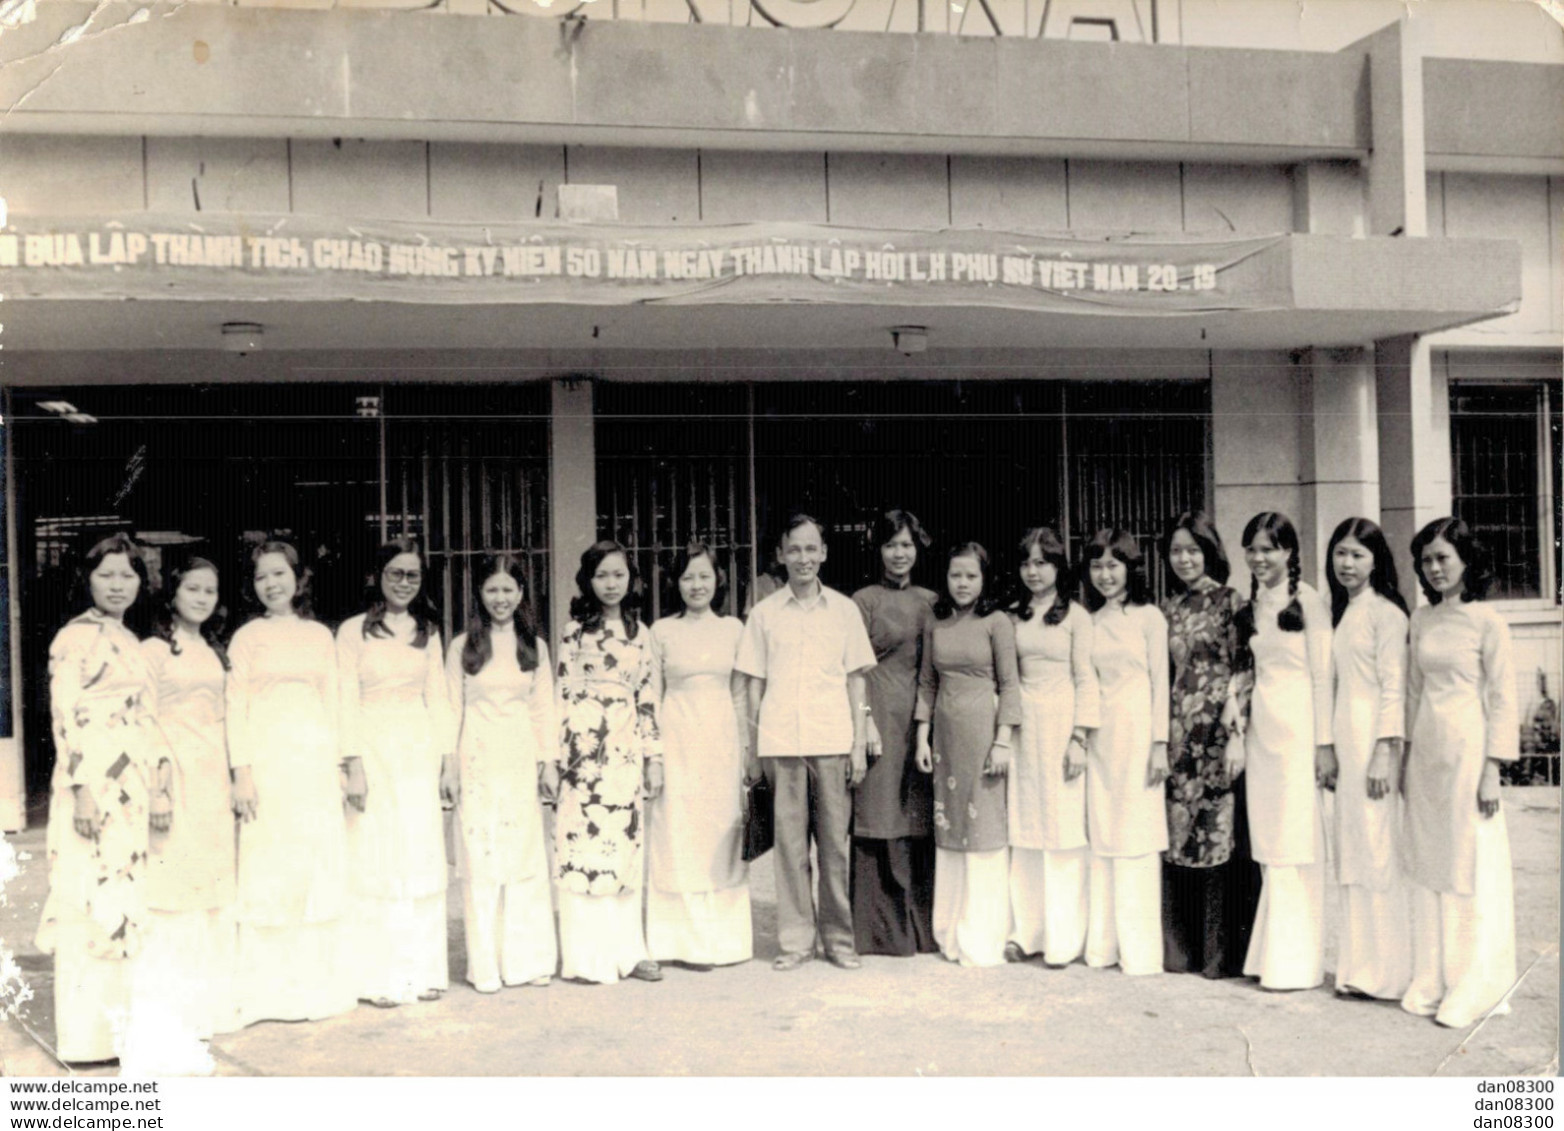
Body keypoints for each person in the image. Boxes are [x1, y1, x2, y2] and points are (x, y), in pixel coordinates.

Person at [736, 513, 876, 972]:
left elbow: (857, 683)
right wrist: (753, 749)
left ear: (824, 554)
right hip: (782, 745)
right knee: (791, 849)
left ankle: (838, 940)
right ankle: (795, 941)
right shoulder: (764, 613)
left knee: (834, 847)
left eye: (811, 548)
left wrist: (858, 744)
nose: (803, 558)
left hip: (833, 741)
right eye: (794, 549)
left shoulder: (844, 611)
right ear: (780, 555)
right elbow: (753, 685)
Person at [227, 540, 358, 1026]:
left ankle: (317, 991)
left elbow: (336, 703)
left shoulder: (320, 637)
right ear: (253, 585)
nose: (272, 584)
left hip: (313, 768)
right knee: (269, 868)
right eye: (262, 577)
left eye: (280, 574)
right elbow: (234, 708)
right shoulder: (245, 638)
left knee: (313, 867)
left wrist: (342, 766)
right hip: (266, 768)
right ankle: (268, 996)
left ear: (298, 578)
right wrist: (242, 773)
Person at [36, 534, 156, 1064]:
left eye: (127, 575)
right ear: (87, 578)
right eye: (107, 575)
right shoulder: (73, 638)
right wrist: (82, 790)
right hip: (89, 780)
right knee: (87, 895)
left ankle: (117, 1033)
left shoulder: (130, 639)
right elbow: (65, 718)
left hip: (130, 782)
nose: (117, 585)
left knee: (122, 896)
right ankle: (83, 1039)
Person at [1401, 517, 1518, 1028]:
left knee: (1469, 869)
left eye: (1443, 558)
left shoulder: (1488, 621)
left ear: (1467, 560)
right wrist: (1405, 758)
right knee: (1431, 867)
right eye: (1426, 560)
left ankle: (1474, 984)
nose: (1434, 568)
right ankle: (1434, 977)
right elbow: (1411, 693)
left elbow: (1502, 698)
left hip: (1470, 756)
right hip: (1426, 755)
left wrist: (1492, 768)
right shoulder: (1421, 621)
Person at [338, 538, 455, 1006]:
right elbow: (344, 700)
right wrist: (354, 766)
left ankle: (423, 972)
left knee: (420, 855)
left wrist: (448, 762)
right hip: (372, 748)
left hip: (418, 752)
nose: (403, 583)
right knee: (375, 855)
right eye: (395, 574)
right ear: (378, 577)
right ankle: (377, 977)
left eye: (412, 575)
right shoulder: (352, 632)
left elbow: (440, 700)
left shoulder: (428, 631)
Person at [136, 556, 237, 1066]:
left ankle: (210, 1004)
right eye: (193, 588)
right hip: (172, 772)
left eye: (210, 590)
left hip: (213, 774)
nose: (202, 597)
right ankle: (170, 1006)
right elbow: (146, 720)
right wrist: (157, 788)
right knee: (173, 888)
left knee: (212, 885)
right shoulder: (153, 650)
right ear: (172, 592)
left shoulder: (214, 651)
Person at [447, 554, 558, 992]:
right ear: (480, 593)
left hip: (519, 759)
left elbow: (543, 708)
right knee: (482, 860)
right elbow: (451, 708)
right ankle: (486, 966)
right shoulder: (463, 647)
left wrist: (548, 762)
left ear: (522, 593)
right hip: (476, 758)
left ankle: (526, 962)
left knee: (524, 858)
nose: (501, 598)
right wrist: (450, 766)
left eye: (509, 589)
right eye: (492, 589)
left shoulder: (535, 645)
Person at [555, 541, 663, 984]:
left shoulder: (642, 633)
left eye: (619, 575)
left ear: (630, 579)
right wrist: (560, 760)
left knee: (623, 851)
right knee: (582, 853)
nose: (611, 584)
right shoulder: (572, 632)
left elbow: (649, 698)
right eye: (602, 575)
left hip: (624, 756)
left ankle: (629, 954)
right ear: (588, 580)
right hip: (581, 760)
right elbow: (562, 696)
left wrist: (653, 757)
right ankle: (585, 958)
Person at [1158, 512, 1260, 979]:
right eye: (1177, 551)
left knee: (1219, 836)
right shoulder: (1169, 608)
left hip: (1219, 734)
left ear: (1210, 551)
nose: (1184, 559)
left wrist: (1236, 733)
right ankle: (1183, 952)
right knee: (1180, 835)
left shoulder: (1231, 602)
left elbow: (1244, 667)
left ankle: (1220, 957)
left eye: (1193, 550)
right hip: (1180, 735)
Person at [1233, 512, 1332, 992]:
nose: (1258, 558)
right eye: (1251, 549)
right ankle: (1271, 955)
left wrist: (1323, 743)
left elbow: (1321, 675)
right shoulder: (1253, 604)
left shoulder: (1308, 600)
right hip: (1263, 735)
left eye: (1268, 548)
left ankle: (1297, 963)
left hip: (1298, 734)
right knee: (1271, 843)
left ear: (1289, 552)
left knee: (1296, 841)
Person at [646, 542, 752, 969]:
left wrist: (746, 755)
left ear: (718, 580)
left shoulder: (733, 630)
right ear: (676, 582)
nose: (696, 585)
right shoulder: (661, 631)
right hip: (677, 741)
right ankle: (678, 943)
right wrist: (654, 755)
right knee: (677, 833)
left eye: (704, 576)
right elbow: (652, 696)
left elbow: (741, 696)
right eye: (688, 577)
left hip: (721, 742)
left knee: (719, 834)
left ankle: (722, 943)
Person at [914, 542, 1021, 967]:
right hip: (945, 738)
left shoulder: (998, 622)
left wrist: (1003, 741)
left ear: (984, 578)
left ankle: (984, 934)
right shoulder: (935, 621)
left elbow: (1010, 685)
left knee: (985, 831)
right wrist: (922, 737)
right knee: (951, 828)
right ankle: (951, 930)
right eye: (956, 575)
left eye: (971, 576)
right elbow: (927, 682)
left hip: (983, 735)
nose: (962, 583)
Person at [1325, 517, 1412, 1000]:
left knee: (1379, 853)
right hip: (1346, 741)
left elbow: (1393, 686)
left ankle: (1388, 973)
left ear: (1376, 559)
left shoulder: (1386, 614)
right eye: (1340, 553)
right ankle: (1356, 968)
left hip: (1374, 745)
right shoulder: (1343, 612)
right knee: (1354, 855)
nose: (1347, 563)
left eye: (1357, 554)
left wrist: (1384, 750)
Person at [1006, 527, 1098, 968]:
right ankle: (1026, 934)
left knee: (1062, 836)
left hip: (1063, 729)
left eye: (1042, 562)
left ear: (1059, 567)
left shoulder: (1077, 617)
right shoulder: (1013, 616)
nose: (1033, 571)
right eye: (1027, 562)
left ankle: (1063, 939)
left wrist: (1080, 738)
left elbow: (1086, 679)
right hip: (1025, 730)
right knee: (1024, 832)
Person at [849, 510, 938, 957]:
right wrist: (863, 720)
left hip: (920, 721)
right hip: (876, 718)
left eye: (906, 544)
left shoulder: (932, 600)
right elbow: (854, 671)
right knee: (876, 814)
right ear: (878, 550)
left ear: (917, 548)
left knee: (916, 815)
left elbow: (935, 670)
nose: (899, 553)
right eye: (890, 545)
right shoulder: (862, 602)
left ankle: (920, 931)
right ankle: (878, 933)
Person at [1081, 529, 1170, 977]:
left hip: (1139, 734)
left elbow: (1160, 683)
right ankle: (1102, 947)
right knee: (1105, 835)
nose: (1105, 575)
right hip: (1101, 739)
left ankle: (1140, 952)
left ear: (1130, 568)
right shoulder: (1088, 621)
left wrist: (1159, 744)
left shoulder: (1150, 618)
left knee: (1136, 838)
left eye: (1113, 565)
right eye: (1097, 566)